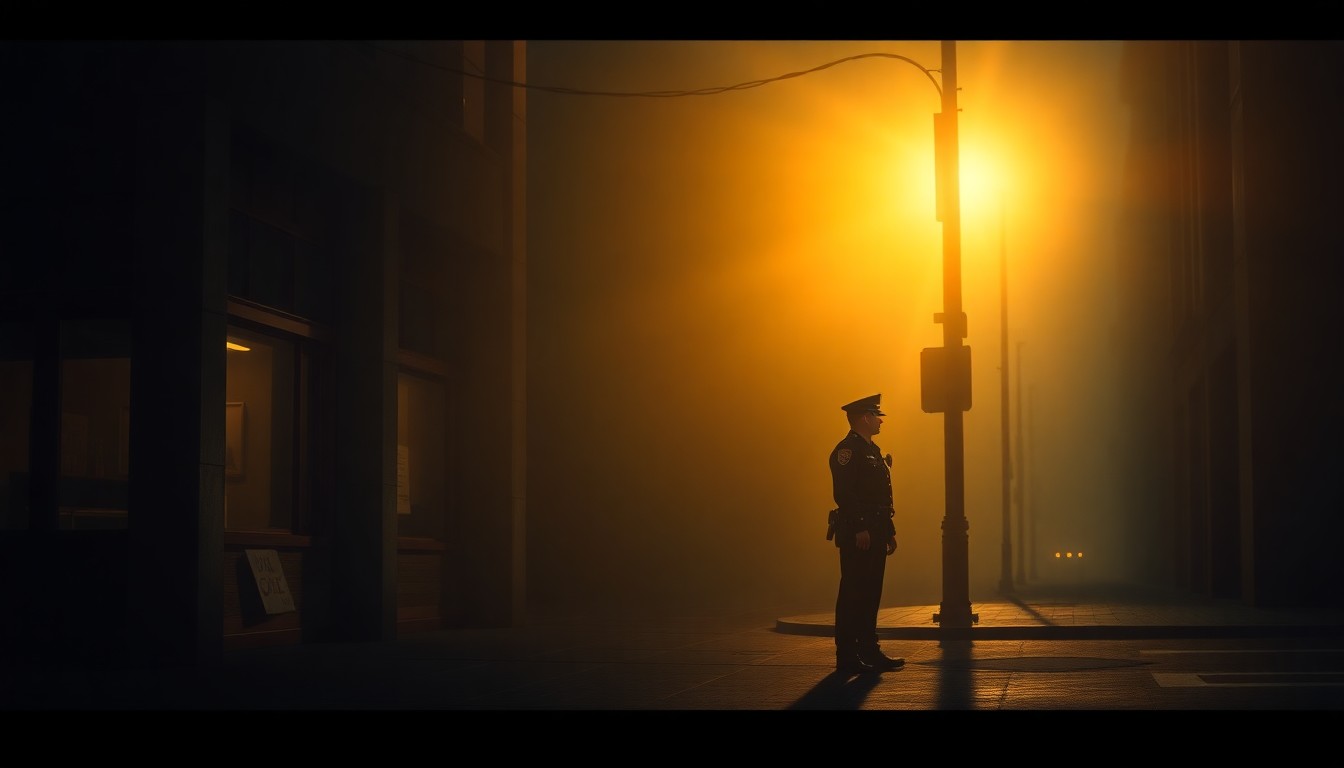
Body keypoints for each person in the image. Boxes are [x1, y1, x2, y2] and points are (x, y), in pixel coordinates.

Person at [828, 393, 904, 674]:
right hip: (859, 532)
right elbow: (845, 494)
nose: (880, 420)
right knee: (853, 593)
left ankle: (869, 650)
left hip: (876, 529)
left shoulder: (871, 449)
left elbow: (881, 497)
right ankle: (847, 655)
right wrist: (860, 526)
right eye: (876, 415)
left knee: (871, 593)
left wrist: (889, 530)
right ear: (864, 418)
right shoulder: (847, 451)